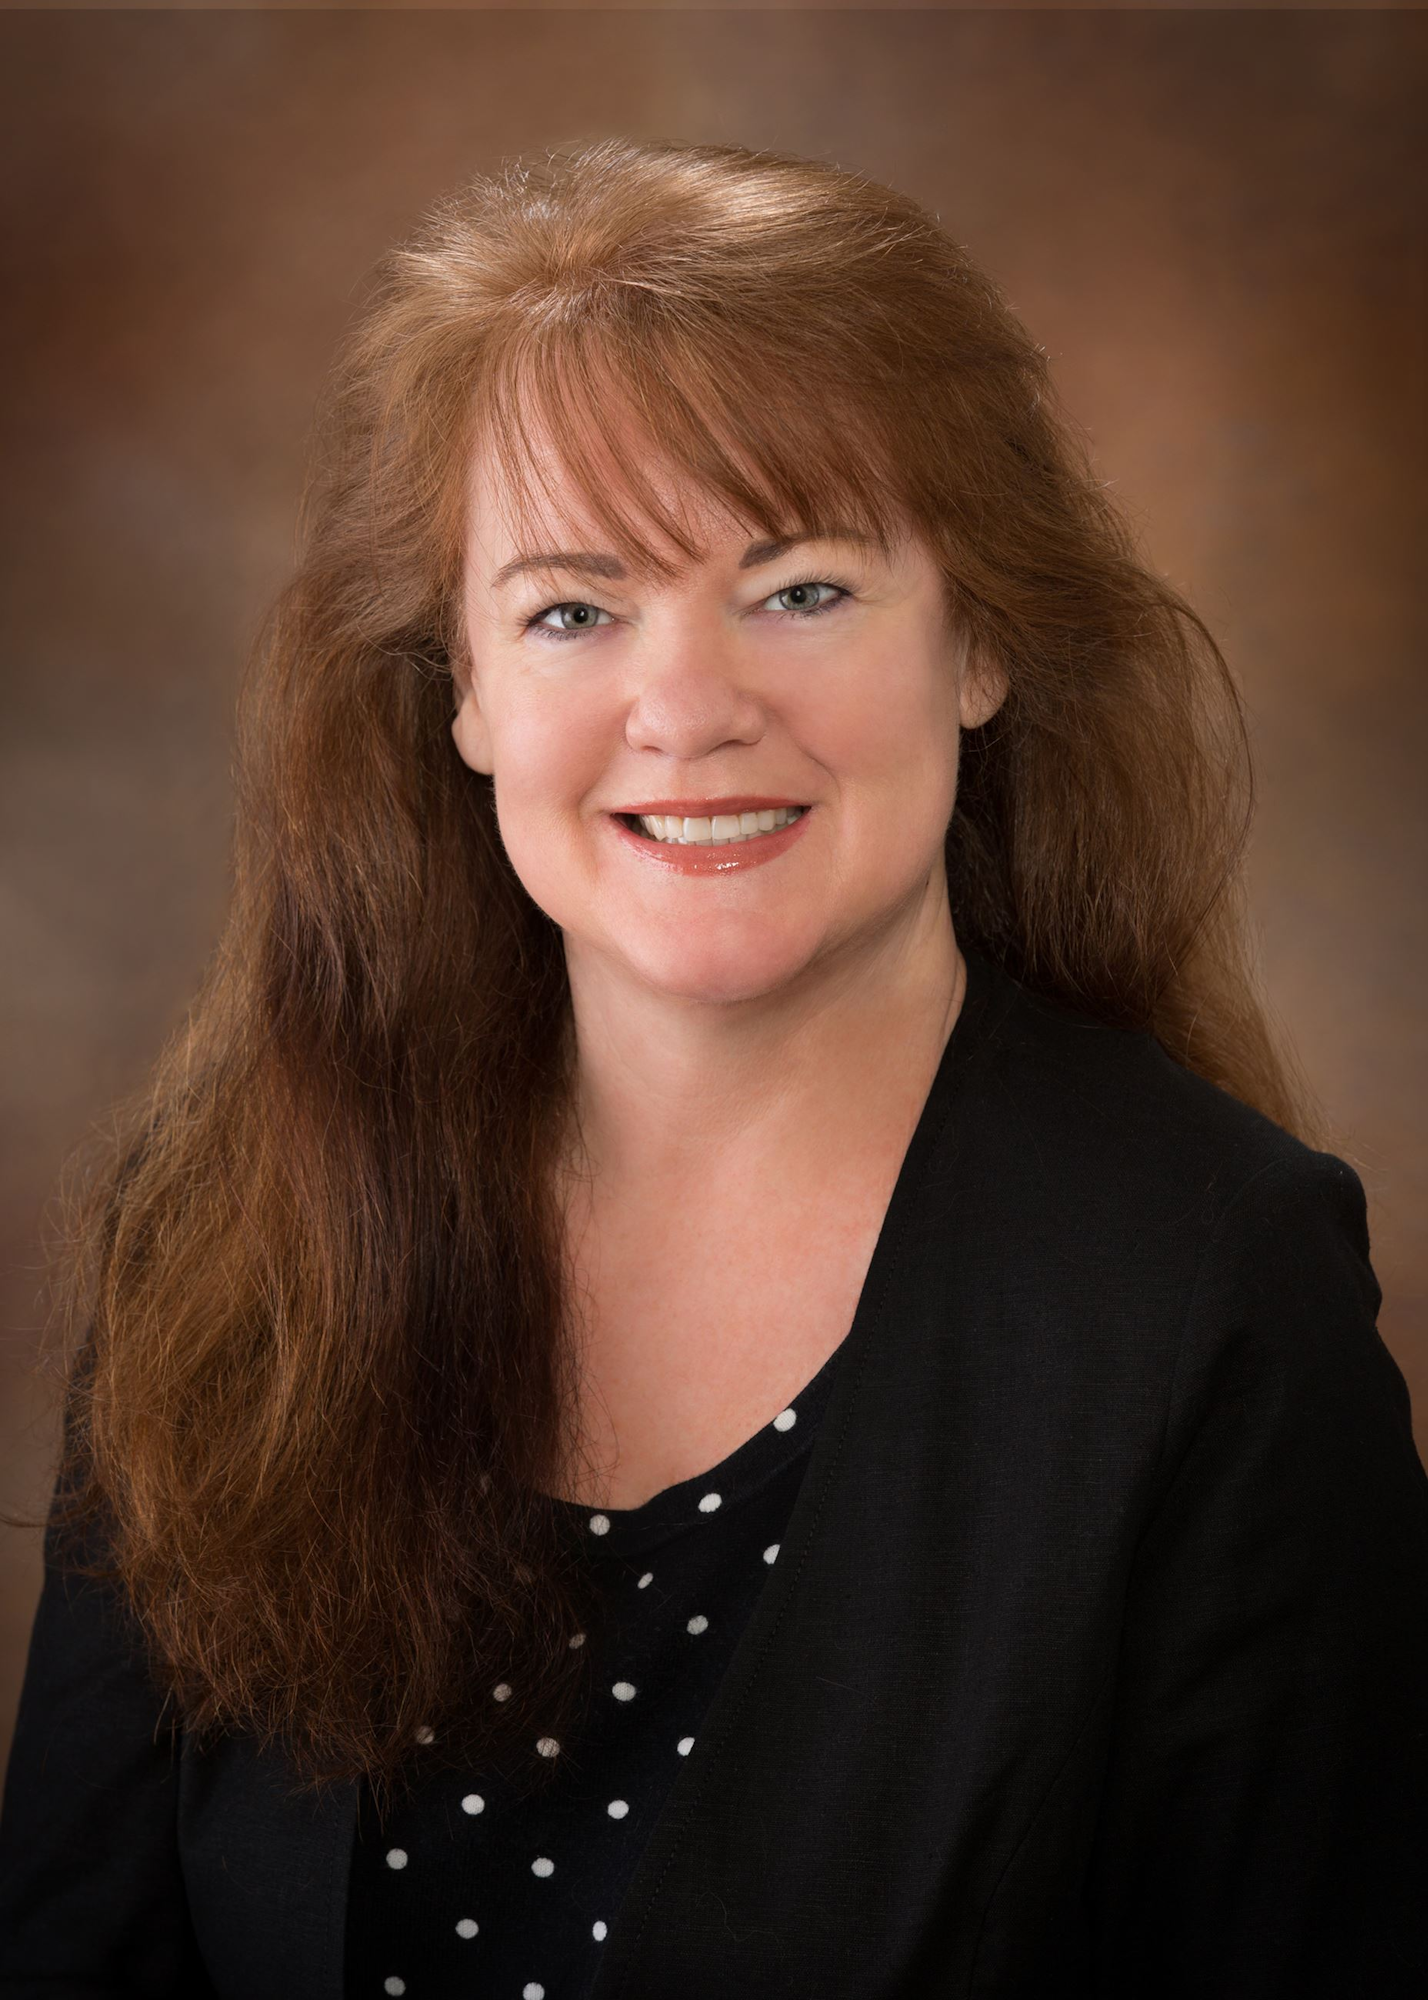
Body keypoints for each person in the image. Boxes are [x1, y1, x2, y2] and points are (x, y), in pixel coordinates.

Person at [1, 135, 1425, 2000]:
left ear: (980, 636)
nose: (688, 710)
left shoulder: (1210, 1290)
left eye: (802, 588)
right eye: (574, 610)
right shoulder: (228, 1221)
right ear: (466, 696)